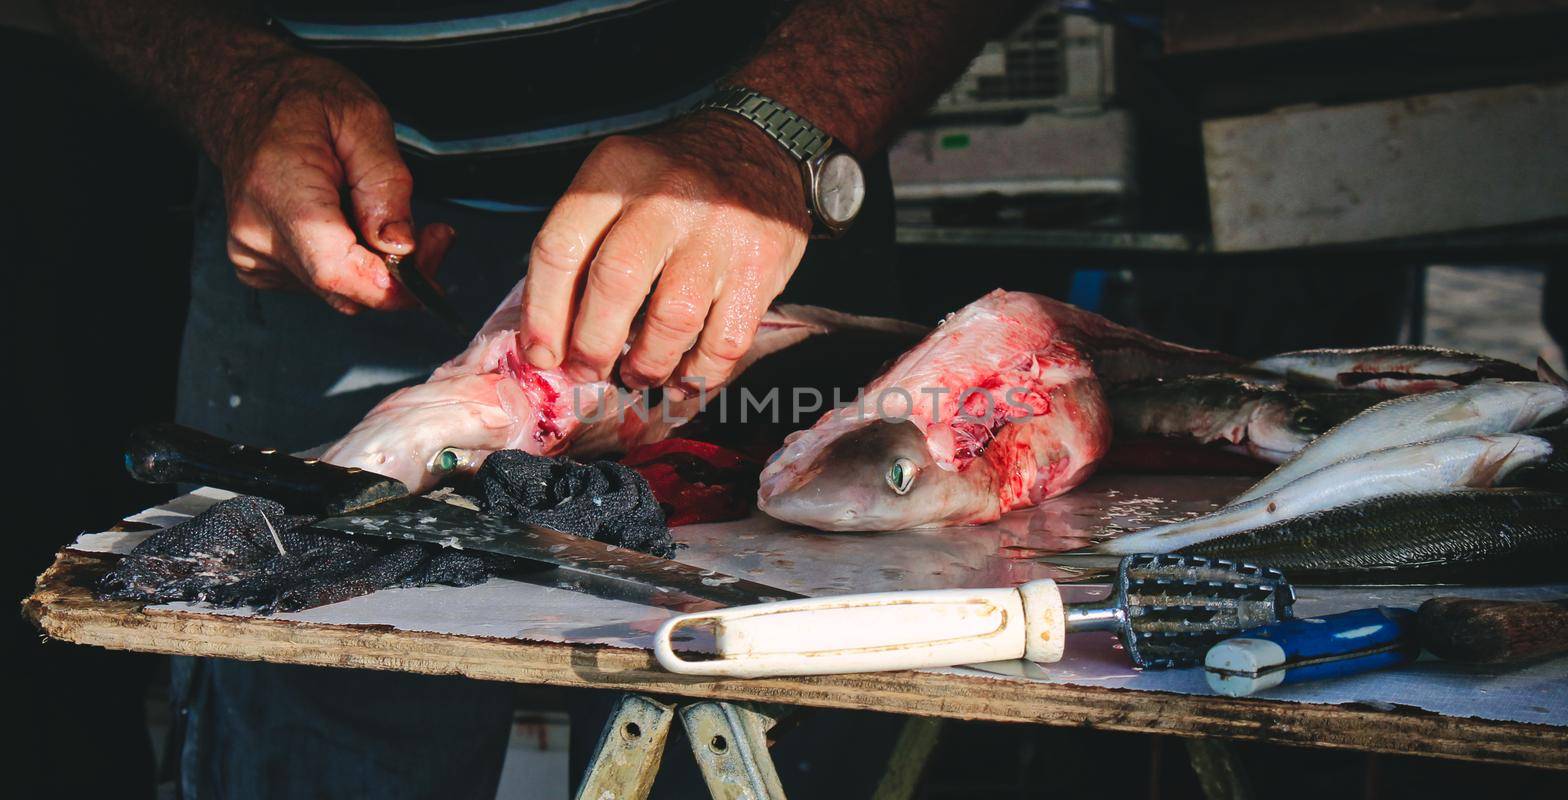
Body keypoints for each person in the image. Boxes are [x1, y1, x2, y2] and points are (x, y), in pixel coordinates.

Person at [46, 0, 1025, 796]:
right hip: (329, 238)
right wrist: (236, 82)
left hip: (767, 213)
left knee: (765, 712)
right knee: (301, 691)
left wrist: (777, 131)